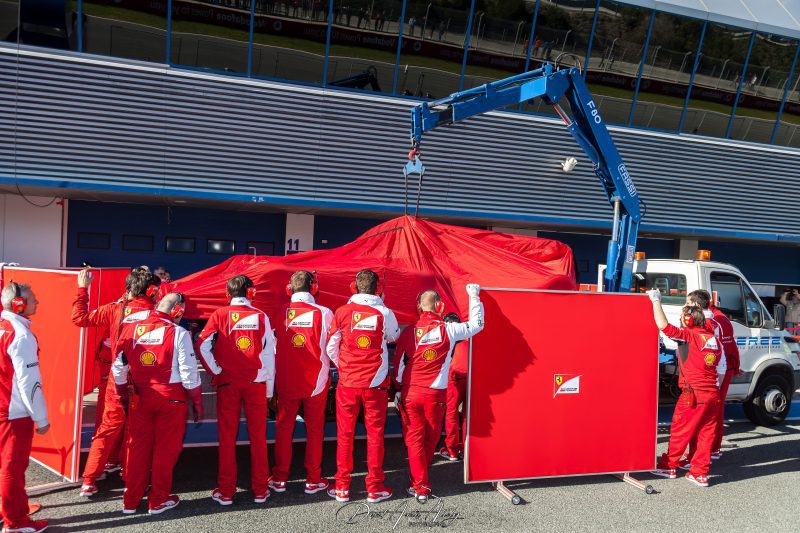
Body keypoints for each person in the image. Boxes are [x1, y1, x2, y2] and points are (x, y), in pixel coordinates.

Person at [72, 267, 161, 497]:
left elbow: (79, 318)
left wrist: (83, 289)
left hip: (116, 380)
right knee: (138, 431)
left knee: (107, 428)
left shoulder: (115, 309)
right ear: (151, 291)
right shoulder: (160, 316)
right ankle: (130, 478)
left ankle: (89, 480)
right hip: (146, 383)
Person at [112, 293, 202, 515]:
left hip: (140, 397)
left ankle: (130, 501)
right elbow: (189, 372)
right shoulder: (178, 333)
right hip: (171, 399)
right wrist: (197, 401)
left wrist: (123, 395)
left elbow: (118, 369)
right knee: (166, 450)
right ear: (178, 311)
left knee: (137, 449)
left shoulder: (131, 329)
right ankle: (158, 500)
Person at [396, 285, 483, 501]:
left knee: (416, 441)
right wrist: (474, 296)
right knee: (430, 440)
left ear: (419, 307)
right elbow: (477, 325)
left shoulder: (409, 331)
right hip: (436, 396)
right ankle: (420, 484)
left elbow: (398, 365)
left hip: (411, 392)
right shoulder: (448, 329)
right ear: (439, 306)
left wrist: (397, 389)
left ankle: (419, 485)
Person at [196, 275, 275, 505]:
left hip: (228, 383)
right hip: (256, 383)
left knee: (227, 438)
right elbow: (269, 355)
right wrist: (269, 390)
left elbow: (201, 343)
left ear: (228, 294)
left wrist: (216, 371)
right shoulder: (261, 317)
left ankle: (227, 491)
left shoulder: (219, 314)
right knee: (258, 438)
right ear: (251, 293)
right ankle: (260, 490)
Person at [326, 269, 400, 503]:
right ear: (378, 288)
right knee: (375, 436)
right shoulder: (385, 312)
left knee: (344, 435)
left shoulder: (342, 311)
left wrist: (345, 367)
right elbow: (393, 337)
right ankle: (374, 488)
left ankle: (342, 488)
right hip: (375, 385)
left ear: (354, 286)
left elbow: (330, 347)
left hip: (348, 383)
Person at [649, 289, 721, 487]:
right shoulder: (714, 339)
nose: (681, 320)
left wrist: (656, 300)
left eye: (683, 317)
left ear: (689, 320)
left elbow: (663, 325)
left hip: (693, 394)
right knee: (705, 436)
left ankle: (668, 465)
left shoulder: (689, 336)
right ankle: (699, 473)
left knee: (681, 430)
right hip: (712, 394)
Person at [270, 271, 333, 495]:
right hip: (317, 381)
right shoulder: (325, 313)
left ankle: (279, 478)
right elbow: (332, 347)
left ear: (290, 289)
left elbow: (273, 347)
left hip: (287, 380)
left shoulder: (279, 313)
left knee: (284, 428)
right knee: (315, 430)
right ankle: (313, 479)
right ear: (314, 288)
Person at [0, 282, 49, 533]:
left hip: (4, 410)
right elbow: (30, 382)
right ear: (18, 304)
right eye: (33, 299)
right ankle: (16, 522)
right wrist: (41, 419)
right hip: (12, 413)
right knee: (13, 469)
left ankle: (9, 511)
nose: (37, 303)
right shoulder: (20, 335)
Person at [681, 290, 740, 465]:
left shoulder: (712, 322)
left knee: (705, 416)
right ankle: (708, 451)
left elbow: (721, 351)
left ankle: (705, 454)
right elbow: (730, 348)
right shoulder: (719, 320)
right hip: (719, 372)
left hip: (711, 374)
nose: (685, 306)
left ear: (697, 305)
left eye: (688, 303)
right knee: (712, 413)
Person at [439, 312, 469, 462]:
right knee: (467, 415)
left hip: (452, 379)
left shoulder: (445, 340)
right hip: (469, 378)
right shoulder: (469, 340)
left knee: (451, 414)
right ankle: (467, 448)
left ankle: (452, 450)